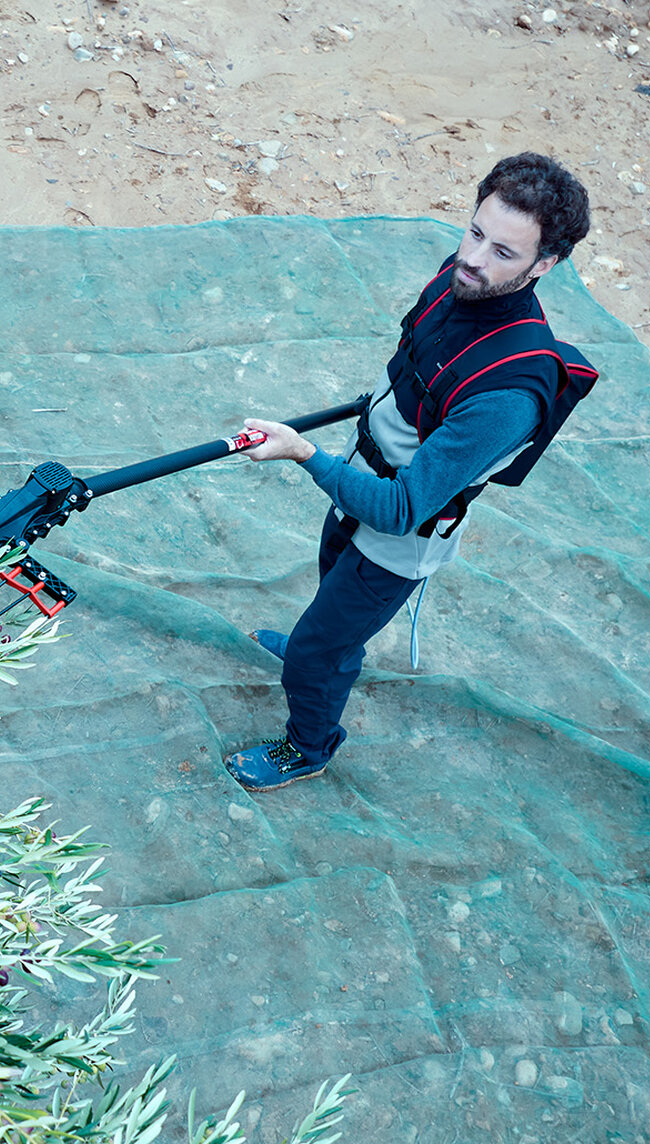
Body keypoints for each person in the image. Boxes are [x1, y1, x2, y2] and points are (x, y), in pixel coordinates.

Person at [222, 151, 598, 791]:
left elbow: (401, 510)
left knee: (314, 654)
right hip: (357, 483)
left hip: (396, 538)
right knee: (327, 598)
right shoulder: (458, 281)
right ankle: (333, 650)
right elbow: (407, 375)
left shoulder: (510, 394)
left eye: (505, 253)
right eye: (476, 232)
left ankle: (308, 744)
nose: (475, 260)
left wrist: (302, 453)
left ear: (545, 265)